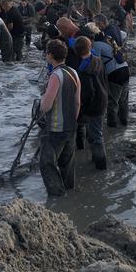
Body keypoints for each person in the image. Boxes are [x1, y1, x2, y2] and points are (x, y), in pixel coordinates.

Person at [38, 39, 81, 196]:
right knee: (67, 163)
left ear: (50, 55)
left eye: (47, 53)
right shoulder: (73, 72)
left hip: (56, 128)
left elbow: (46, 106)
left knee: (46, 163)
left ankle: (57, 196)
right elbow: (77, 102)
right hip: (71, 126)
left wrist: (41, 100)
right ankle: (70, 193)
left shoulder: (55, 76)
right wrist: (73, 120)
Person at [74, 36, 109, 170]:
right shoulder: (98, 60)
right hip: (102, 99)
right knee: (95, 132)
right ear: (90, 48)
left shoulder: (83, 71)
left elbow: (88, 92)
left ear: (76, 52)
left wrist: (83, 106)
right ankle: (96, 159)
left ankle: (101, 164)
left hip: (93, 106)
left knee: (96, 135)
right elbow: (105, 80)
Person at [90, 24, 130, 128]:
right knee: (123, 100)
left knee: (112, 102)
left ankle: (112, 127)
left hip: (115, 73)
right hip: (125, 69)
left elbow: (96, 64)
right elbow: (124, 34)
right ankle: (124, 123)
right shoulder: (109, 39)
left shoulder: (96, 45)